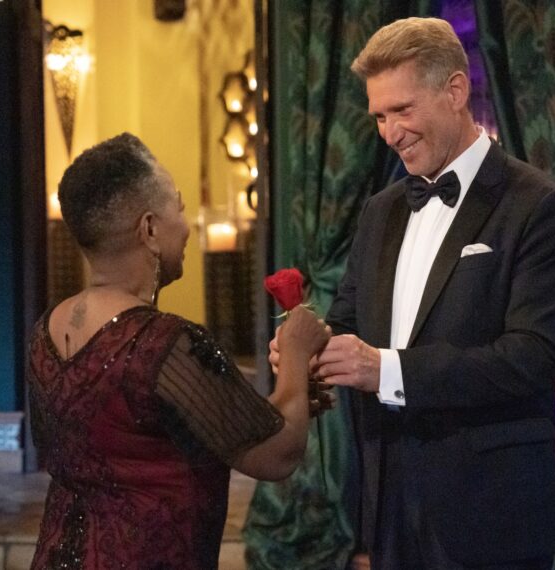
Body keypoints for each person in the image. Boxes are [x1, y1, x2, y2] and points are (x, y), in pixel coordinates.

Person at [270, 17, 555, 569]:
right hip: (387, 505)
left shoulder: (538, 204)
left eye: (403, 110)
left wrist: (386, 370)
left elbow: (531, 360)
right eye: (380, 117)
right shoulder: (380, 209)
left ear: (455, 91)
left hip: (492, 515)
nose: (390, 133)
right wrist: (310, 352)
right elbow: (348, 322)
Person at [26, 133, 330, 570]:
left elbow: (137, 437)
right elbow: (276, 453)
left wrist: (294, 387)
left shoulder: (45, 331)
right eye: (180, 209)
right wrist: (297, 350)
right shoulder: (167, 344)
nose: (186, 226)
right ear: (149, 229)